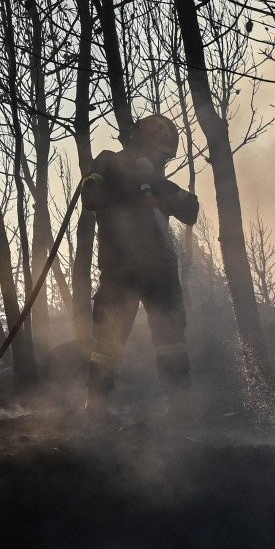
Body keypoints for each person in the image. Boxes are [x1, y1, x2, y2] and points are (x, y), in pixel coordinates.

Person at [82, 114, 200, 408]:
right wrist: (132, 188)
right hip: (119, 271)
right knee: (108, 342)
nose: (161, 162)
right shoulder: (108, 163)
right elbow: (90, 196)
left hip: (160, 272)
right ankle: (96, 409)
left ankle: (181, 409)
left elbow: (191, 210)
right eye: (160, 156)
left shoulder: (158, 183)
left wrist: (157, 189)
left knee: (171, 341)